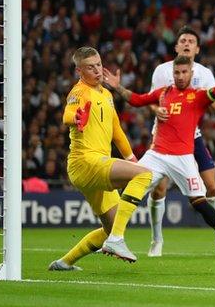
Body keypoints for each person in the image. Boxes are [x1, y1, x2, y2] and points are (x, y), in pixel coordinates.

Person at [104, 55, 215, 259]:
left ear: (191, 73)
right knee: (129, 188)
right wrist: (117, 87)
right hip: (156, 155)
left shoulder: (199, 96)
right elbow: (137, 100)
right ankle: (112, 238)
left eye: (184, 72)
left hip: (183, 158)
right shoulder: (163, 93)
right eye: (177, 72)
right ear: (172, 74)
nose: (180, 76)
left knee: (200, 202)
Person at [49, 47, 153, 270]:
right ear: (79, 71)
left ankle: (64, 263)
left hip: (94, 165)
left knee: (111, 226)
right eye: (90, 67)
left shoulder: (105, 94)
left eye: (98, 64)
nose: (97, 70)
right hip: (86, 162)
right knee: (145, 175)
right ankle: (116, 241)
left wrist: (131, 158)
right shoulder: (79, 92)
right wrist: (75, 118)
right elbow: (68, 113)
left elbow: (116, 130)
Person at [147, 26, 215, 257]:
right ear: (176, 46)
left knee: (212, 186)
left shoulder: (205, 73)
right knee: (159, 189)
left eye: (191, 40)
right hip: (164, 137)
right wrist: (156, 109)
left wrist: (205, 95)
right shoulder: (162, 71)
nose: (186, 43)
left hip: (193, 137)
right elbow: (151, 100)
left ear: (197, 48)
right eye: (182, 40)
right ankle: (157, 240)